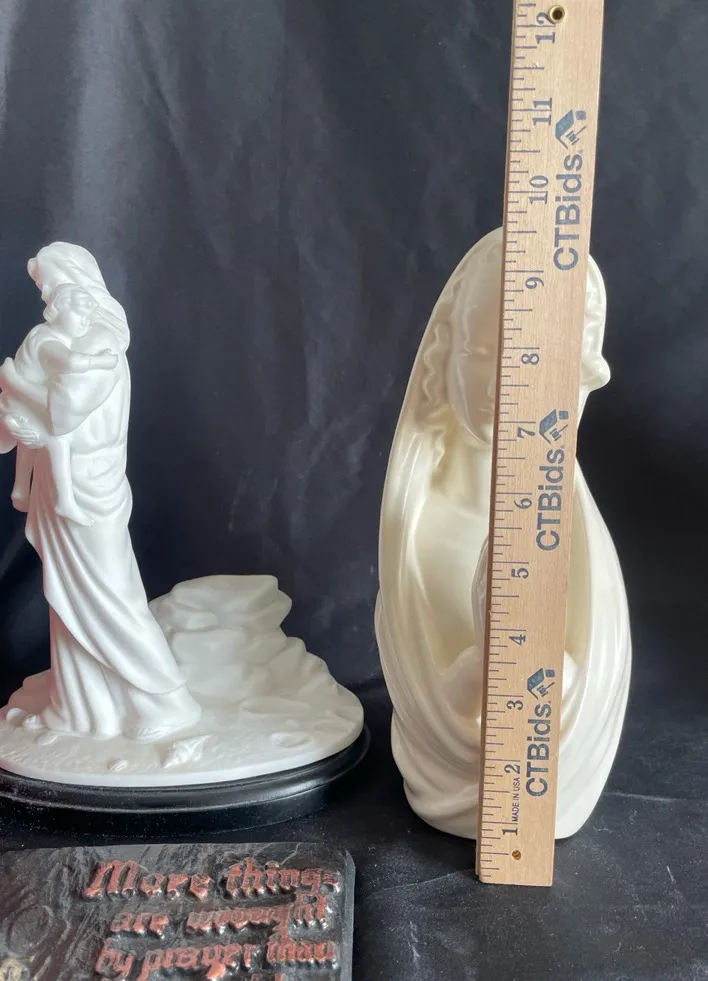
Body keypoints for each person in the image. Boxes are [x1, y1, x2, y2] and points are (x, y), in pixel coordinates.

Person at [0, 245, 202, 741]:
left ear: (82, 286)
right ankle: (82, 703)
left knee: (106, 595)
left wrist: (15, 382)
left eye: (52, 285)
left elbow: (64, 412)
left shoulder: (99, 344)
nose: (47, 297)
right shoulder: (53, 339)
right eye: (45, 290)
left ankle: (161, 699)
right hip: (58, 479)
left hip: (90, 483)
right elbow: (18, 423)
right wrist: (19, 404)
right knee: (70, 596)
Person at [0, 283, 119, 526]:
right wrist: (102, 361)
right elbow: (70, 363)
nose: (85, 322)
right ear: (58, 309)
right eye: (79, 314)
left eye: (88, 318)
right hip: (19, 404)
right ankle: (64, 501)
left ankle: (20, 488)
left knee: (36, 433)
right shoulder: (46, 341)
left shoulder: (45, 334)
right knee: (59, 438)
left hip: (22, 403)